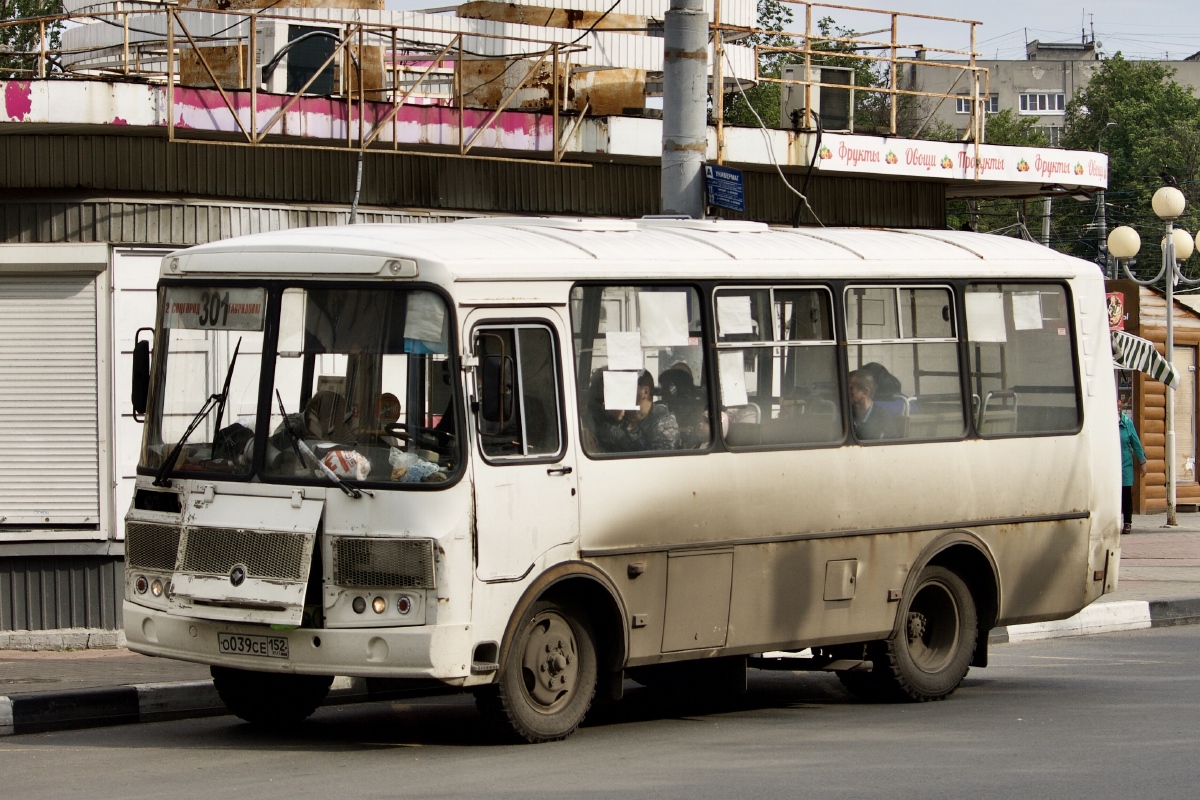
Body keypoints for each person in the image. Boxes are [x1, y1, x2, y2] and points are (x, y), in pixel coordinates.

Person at [1119, 396, 1147, 535]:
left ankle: (1127, 523)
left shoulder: (1127, 423)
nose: (1117, 409)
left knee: (1125, 494)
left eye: (1119, 407)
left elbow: (1135, 443)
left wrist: (1142, 462)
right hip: (1111, 464)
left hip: (1125, 463)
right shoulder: (1106, 423)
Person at [849, 369, 898, 440]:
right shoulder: (845, 416)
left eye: (850, 389)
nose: (845, 393)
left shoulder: (883, 420)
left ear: (865, 392)